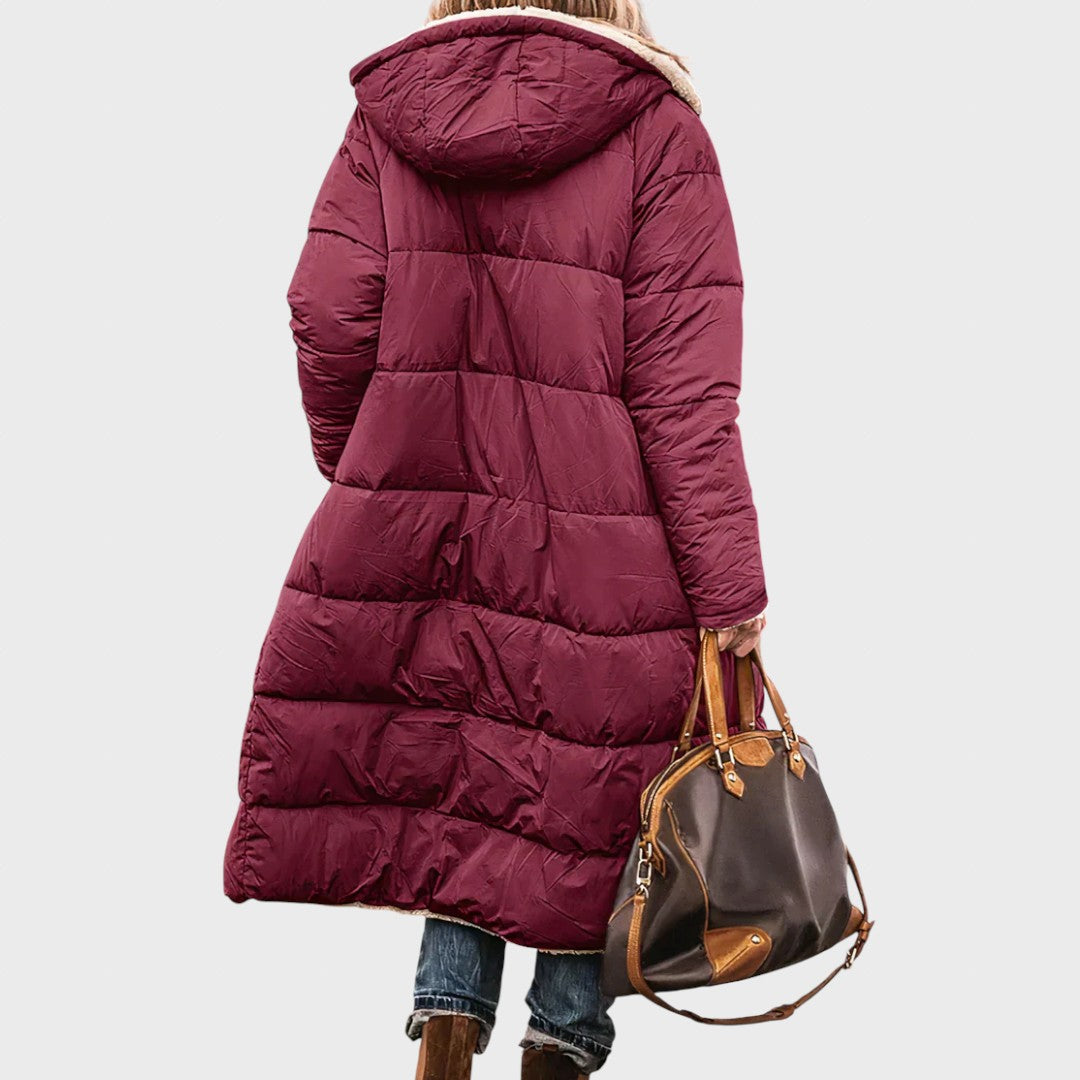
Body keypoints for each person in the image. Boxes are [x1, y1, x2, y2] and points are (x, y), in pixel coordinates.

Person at [224, 2, 768, 1076]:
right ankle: (559, 1044)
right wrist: (731, 589)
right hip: (608, 554)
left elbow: (326, 309)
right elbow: (685, 398)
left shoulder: (395, 116)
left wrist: (373, 469)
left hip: (430, 530)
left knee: (463, 769)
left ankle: (447, 1029)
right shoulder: (655, 128)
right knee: (585, 787)